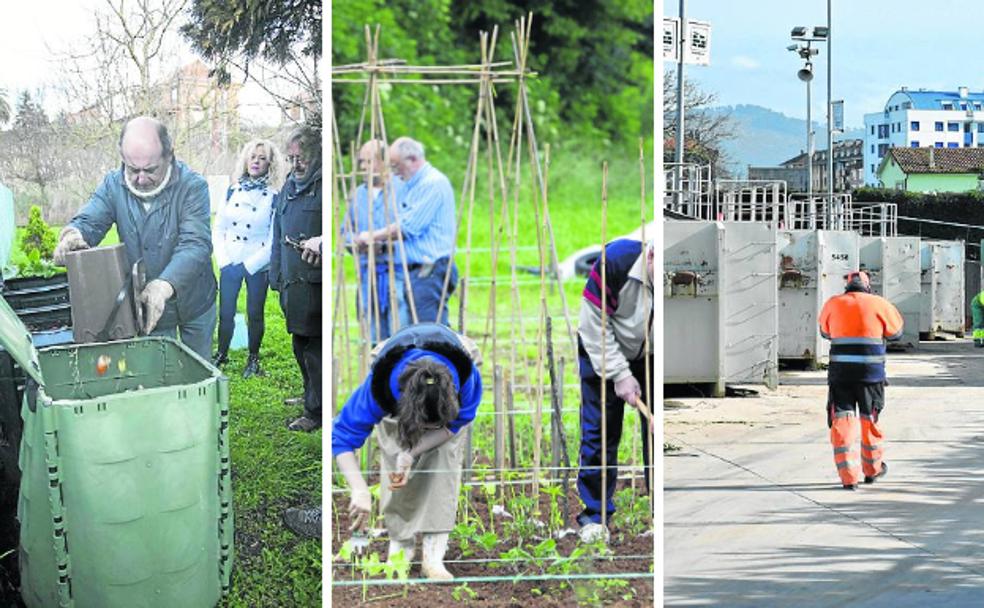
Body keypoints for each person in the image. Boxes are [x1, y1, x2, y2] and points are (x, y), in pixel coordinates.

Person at [52, 116, 216, 359]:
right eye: (132, 169)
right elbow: (91, 219)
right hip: (147, 304)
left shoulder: (192, 187)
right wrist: (73, 235)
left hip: (195, 299)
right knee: (161, 369)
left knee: (199, 367)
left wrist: (164, 285)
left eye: (150, 170)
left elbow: (196, 244)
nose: (140, 178)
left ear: (169, 155)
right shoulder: (113, 185)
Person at [332, 323, 482, 580]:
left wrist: (413, 453)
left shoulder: (465, 379)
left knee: (444, 456)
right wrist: (359, 489)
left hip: (453, 349)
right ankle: (400, 546)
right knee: (394, 446)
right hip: (395, 359)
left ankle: (434, 556)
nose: (425, 430)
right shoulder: (380, 388)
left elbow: (456, 424)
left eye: (432, 426)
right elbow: (341, 437)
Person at [576, 239, 654, 544]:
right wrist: (619, 373)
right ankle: (595, 517)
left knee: (655, 432)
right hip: (602, 347)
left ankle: (660, 514)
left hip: (650, 353)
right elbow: (594, 323)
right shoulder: (617, 262)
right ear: (650, 254)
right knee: (600, 431)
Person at [354, 137, 457, 326]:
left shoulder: (432, 184)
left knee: (430, 329)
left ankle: (438, 356)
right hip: (420, 271)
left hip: (430, 270)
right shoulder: (415, 185)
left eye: (396, 165)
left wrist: (371, 236)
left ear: (412, 159)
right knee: (424, 328)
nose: (393, 171)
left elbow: (408, 227)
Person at [819, 271, 903, 490]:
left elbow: (825, 332)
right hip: (870, 375)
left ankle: (848, 478)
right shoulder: (880, 304)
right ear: (868, 286)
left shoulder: (833, 304)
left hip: (841, 376)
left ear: (847, 286)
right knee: (869, 421)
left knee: (843, 422)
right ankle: (872, 470)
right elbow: (896, 333)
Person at [212, 138, 284, 377]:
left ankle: (253, 359)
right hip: (230, 261)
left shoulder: (273, 196)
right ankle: (222, 352)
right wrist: (224, 260)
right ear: (245, 159)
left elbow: (273, 238)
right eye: (253, 156)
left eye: (262, 158)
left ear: (269, 164)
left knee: (255, 312)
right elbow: (219, 227)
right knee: (226, 311)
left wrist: (250, 265)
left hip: (256, 264)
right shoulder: (232, 190)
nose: (256, 161)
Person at [269, 126, 323, 432]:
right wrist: (275, 274)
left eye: (301, 157)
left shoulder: (323, 186)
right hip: (292, 282)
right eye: (290, 158)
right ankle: (309, 393)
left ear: (316, 154)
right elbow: (278, 234)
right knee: (299, 346)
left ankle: (314, 412)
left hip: (314, 284)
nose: (295, 164)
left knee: (313, 349)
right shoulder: (289, 186)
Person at [345, 139, 408, 343]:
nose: (363, 167)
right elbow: (345, 231)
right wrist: (355, 241)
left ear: (384, 162)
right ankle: (376, 369)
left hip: (397, 272)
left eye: (368, 161)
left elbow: (410, 228)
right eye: (361, 162)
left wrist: (383, 243)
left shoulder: (403, 190)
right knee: (372, 331)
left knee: (400, 329)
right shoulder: (358, 195)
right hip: (366, 272)